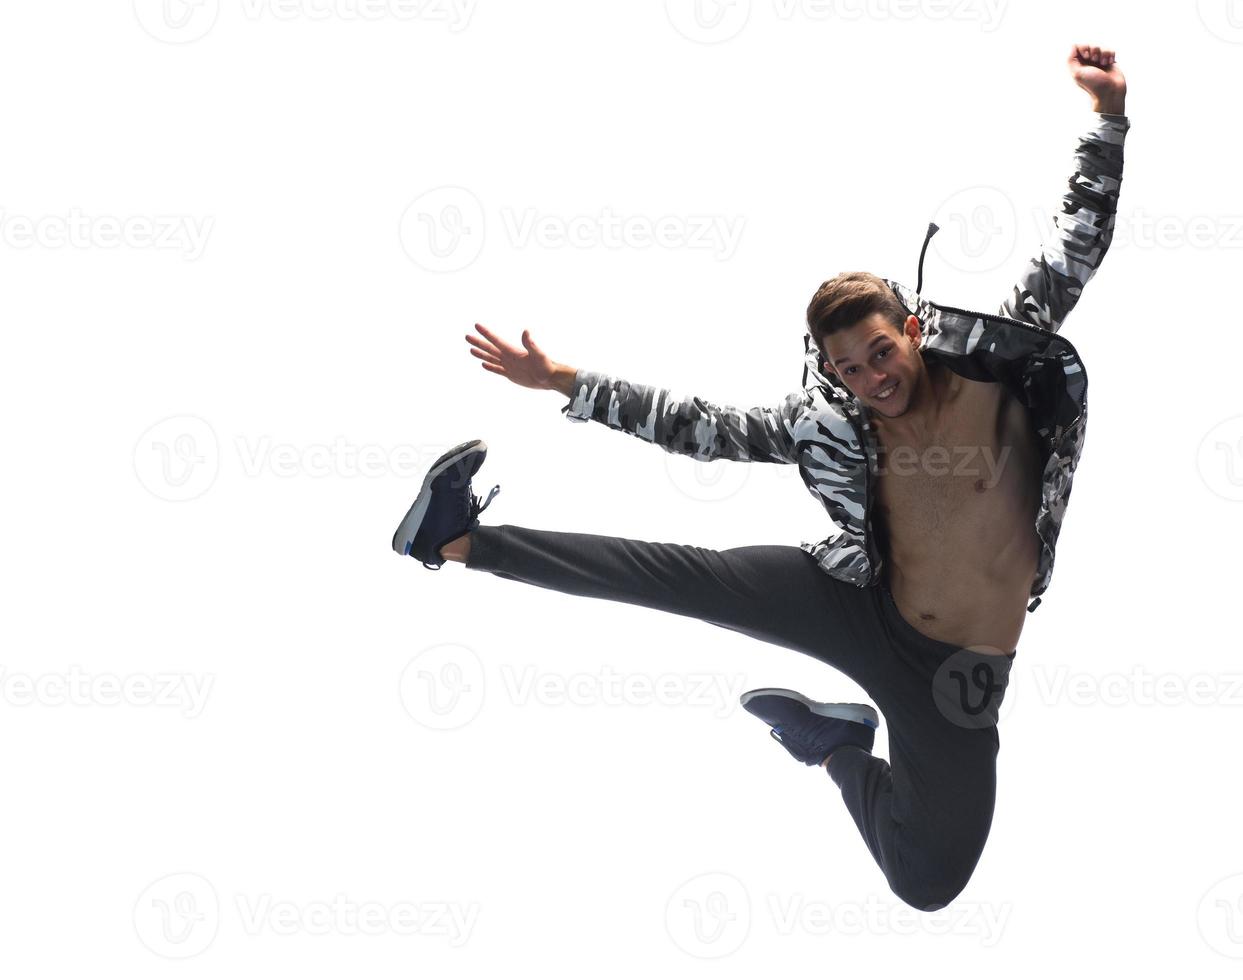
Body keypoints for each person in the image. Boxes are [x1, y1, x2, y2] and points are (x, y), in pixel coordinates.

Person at [391, 44, 1129, 912]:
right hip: (860, 602)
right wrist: (565, 383)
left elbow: (1076, 241)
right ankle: (453, 536)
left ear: (914, 330)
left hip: (957, 674)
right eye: (849, 368)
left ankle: (833, 747)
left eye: (881, 353)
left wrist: (1106, 118)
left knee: (926, 880)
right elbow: (698, 426)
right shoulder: (826, 423)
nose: (872, 379)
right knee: (678, 578)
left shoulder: (1000, 362)